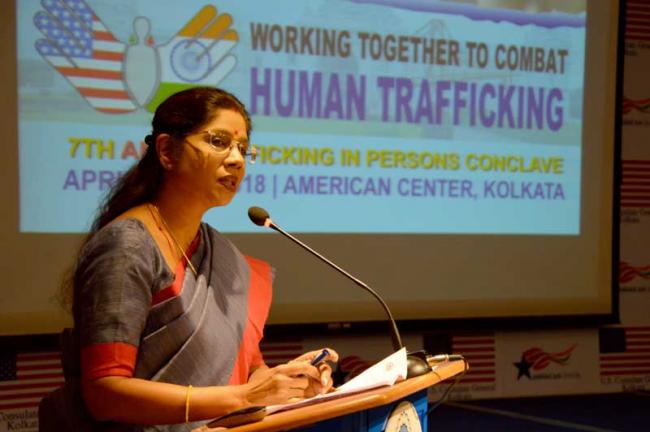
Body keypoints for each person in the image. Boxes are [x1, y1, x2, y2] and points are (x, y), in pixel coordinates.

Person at [39, 87, 338, 431]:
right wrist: (245, 396)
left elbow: (248, 370)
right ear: (167, 151)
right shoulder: (127, 246)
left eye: (243, 148)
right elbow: (105, 393)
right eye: (219, 142)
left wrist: (286, 383)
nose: (237, 160)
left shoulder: (218, 253)